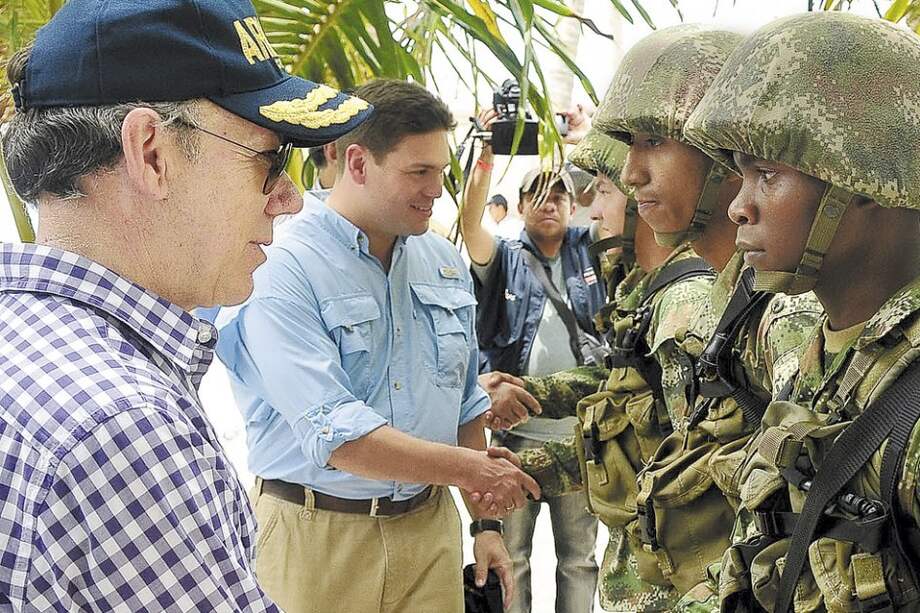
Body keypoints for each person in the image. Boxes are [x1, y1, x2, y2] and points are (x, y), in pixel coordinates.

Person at [0, 0, 373, 609]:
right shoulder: (125, 429)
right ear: (151, 152)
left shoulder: (26, 344)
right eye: (269, 158)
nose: (290, 199)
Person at [214, 78, 540, 613]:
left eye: (440, 172)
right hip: (317, 539)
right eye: (419, 172)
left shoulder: (443, 260)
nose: (436, 190)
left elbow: (464, 404)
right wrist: (470, 470)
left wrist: (484, 522)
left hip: (430, 532)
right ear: (359, 163)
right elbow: (338, 434)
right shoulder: (282, 264)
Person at [683, 12, 920, 611]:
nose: (738, 207)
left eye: (767, 175)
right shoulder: (815, 355)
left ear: (861, 181)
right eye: (740, 177)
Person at [511, 126, 713, 612]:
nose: (595, 211)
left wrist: (517, 471)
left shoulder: (684, 304)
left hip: (675, 585)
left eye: (602, 192)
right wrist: (528, 391)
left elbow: (661, 450)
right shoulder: (651, 295)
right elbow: (624, 387)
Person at [460, 109, 607, 613]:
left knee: (579, 559)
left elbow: (625, 203)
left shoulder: (592, 251)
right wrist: (485, 158)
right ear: (521, 205)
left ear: (574, 204)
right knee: (512, 556)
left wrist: (588, 139)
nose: (550, 202)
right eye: (538, 194)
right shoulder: (501, 256)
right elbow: (469, 223)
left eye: (560, 193)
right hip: (513, 439)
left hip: (581, 435)